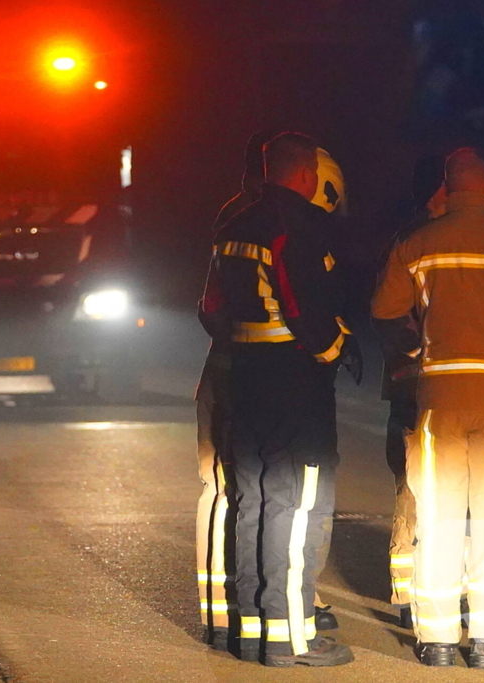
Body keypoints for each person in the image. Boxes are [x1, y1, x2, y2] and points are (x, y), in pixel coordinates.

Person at [371, 148, 484, 668]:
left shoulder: (416, 245)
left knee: (439, 513)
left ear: (447, 190)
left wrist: (417, 349)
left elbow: (384, 311)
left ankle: (435, 641)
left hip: (438, 401)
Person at [199, 132, 356, 668]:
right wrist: (339, 347)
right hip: (294, 385)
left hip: (241, 377)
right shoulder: (298, 229)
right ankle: (291, 637)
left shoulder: (233, 226)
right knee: (297, 503)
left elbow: (209, 308)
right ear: (308, 176)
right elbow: (305, 312)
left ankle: (247, 632)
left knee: (252, 502)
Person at [195, 130, 274, 652]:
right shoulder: (247, 220)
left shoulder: (241, 215)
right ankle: (225, 612)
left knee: (240, 491)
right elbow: (212, 307)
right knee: (227, 490)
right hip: (233, 371)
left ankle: (238, 607)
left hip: (233, 369)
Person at [376, 155, 447, 630]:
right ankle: (407, 591)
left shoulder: (414, 242)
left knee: (437, 488)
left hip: (431, 383)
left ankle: (427, 587)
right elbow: (391, 317)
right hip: (415, 386)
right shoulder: (414, 244)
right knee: (413, 489)